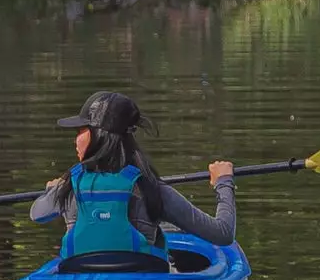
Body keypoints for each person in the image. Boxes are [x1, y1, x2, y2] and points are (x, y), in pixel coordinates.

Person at [30, 91, 236, 263]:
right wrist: (223, 182)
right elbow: (223, 233)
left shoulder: (69, 187)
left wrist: (53, 190)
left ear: (98, 135)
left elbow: (37, 213)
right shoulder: (152, 189)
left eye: (81, 130)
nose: (76, 139)